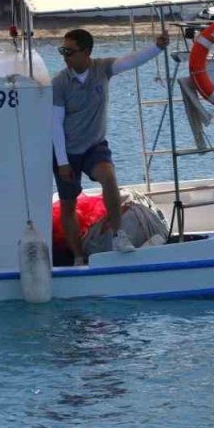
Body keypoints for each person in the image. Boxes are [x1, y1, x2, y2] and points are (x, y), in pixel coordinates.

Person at [53, 28, 169, 265]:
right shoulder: (59, 83)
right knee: (68, 205)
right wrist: (63, 162)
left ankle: (119, 236)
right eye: (62, 51)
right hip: (67, 149)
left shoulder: (101, 69)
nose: (65, 56)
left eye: (69, 51)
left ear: (86, 52)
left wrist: (157, 48)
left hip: (94, 145)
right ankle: (77, 258)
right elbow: (54, 125)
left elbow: (130, 61)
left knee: (108, 177)